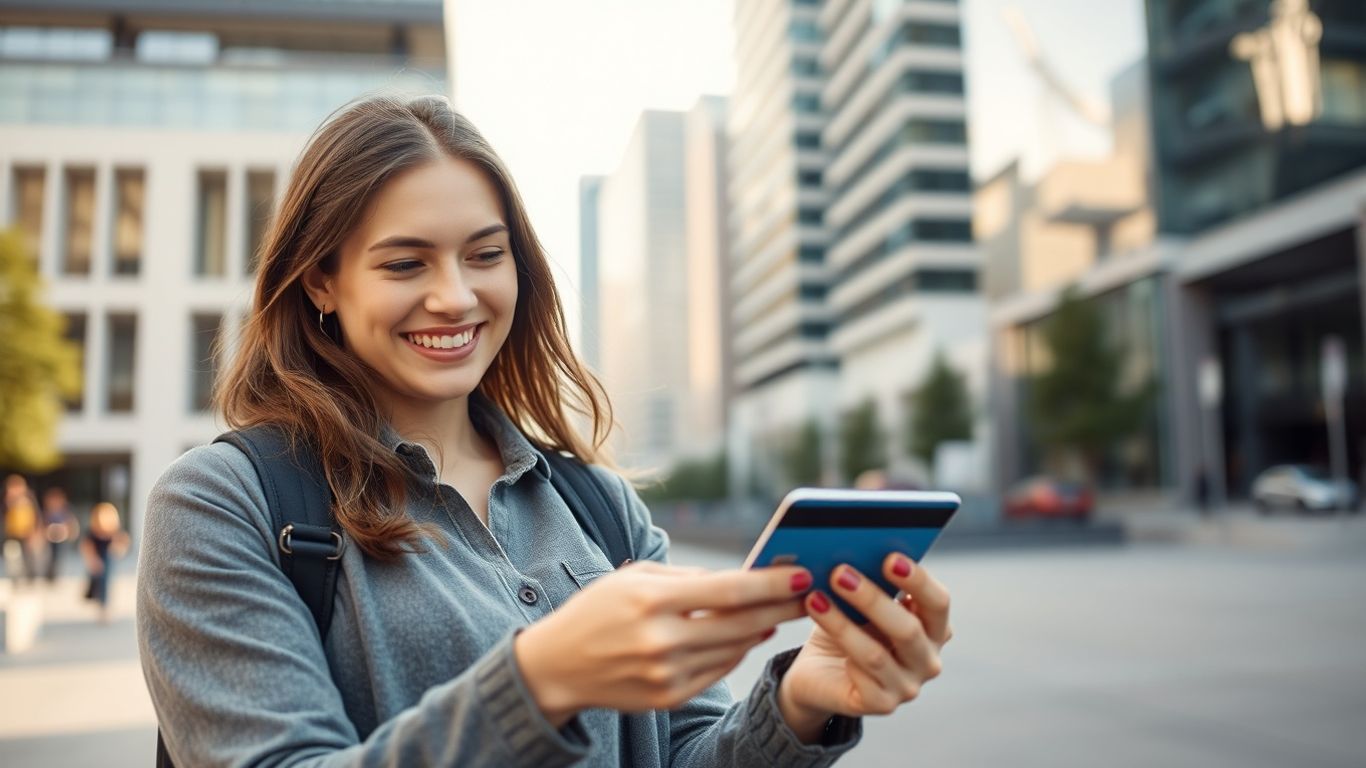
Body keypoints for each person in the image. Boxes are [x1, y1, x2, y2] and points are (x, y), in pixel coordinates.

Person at [137, 94, 954, 767]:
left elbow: (687, 751)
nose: (455, 296)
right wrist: (540, 680)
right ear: (321, 279)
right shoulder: (223, 505)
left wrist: (804, 701)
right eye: (405, 263)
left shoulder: (597, 501)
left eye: (484, 255)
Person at [80, 501, 129, 623]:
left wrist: (119, 549)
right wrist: (92, 560)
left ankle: (104, 607)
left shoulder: (113, 531)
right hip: (97, 558)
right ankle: (97, 601)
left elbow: (124, 540)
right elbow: (86, 546)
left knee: (105, 582)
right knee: (97, 581)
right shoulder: (92, 532)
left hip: (108, 558)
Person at [3, 474, 42, 585]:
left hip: (27, 533)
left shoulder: (29, 499)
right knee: (13, 557)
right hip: (11, 534)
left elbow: (37, 516)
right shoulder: (5, 501)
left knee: (29, 557)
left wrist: (36, 532)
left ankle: (30, 579)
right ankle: (15, 579)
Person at [41, 486, 79, 583]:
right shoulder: (46, 512)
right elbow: (42, 526)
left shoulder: (66, 511)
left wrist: (64, 531)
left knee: (59, 559)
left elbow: (72, 526)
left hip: (62, 541)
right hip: (49, 541)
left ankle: (56, 576)